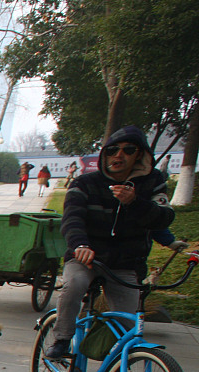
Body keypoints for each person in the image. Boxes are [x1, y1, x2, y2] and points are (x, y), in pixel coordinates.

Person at [45, 127, 175, 359]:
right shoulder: (84, 183)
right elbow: (72, 219)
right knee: (74, 284)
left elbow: (162, 218)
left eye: (128, 150)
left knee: (126, 327)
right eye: (113, 150)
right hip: (87, 258)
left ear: (140, 155)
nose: (118, 155)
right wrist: (80, 245)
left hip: (126, 264)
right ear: (105, 154)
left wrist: (134, 202)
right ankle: (62, 339)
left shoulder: (153, 182)